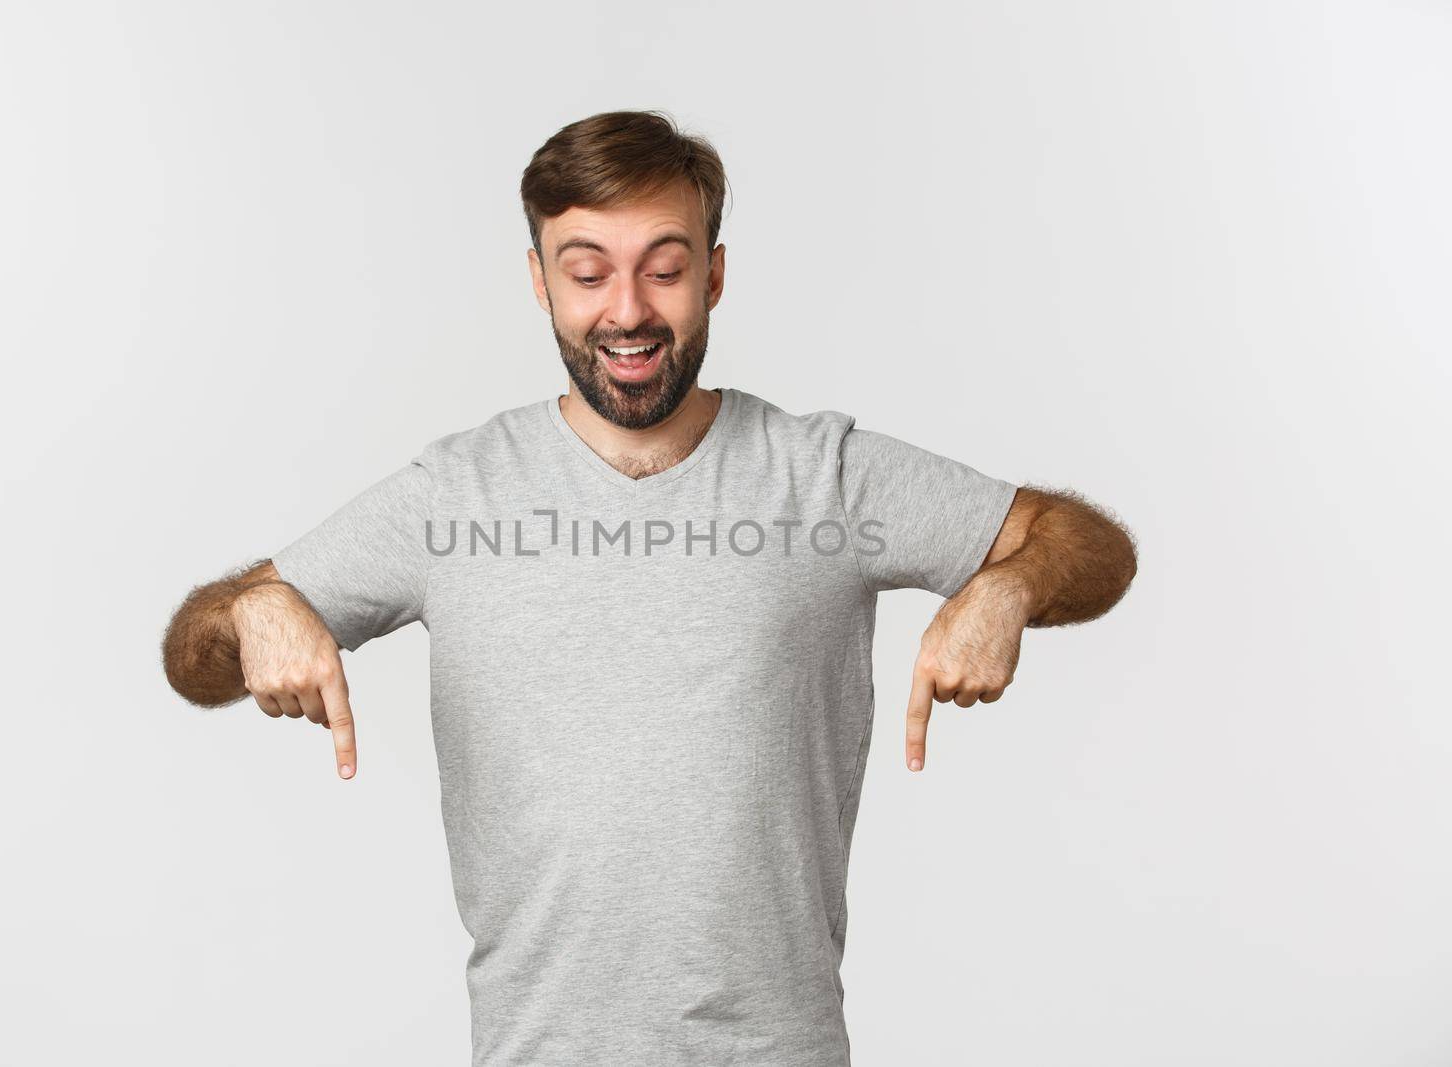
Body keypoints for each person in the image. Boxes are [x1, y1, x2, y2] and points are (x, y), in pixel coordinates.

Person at [161, 109, 1138, 1066]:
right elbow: (196, 656)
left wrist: (1005, 588)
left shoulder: (827, 478)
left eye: (664, 268)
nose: (626, 309)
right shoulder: (450, 496)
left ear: (713, 274)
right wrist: (256, 608)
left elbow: (1086, 546)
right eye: (588, 271)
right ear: (540, 283)